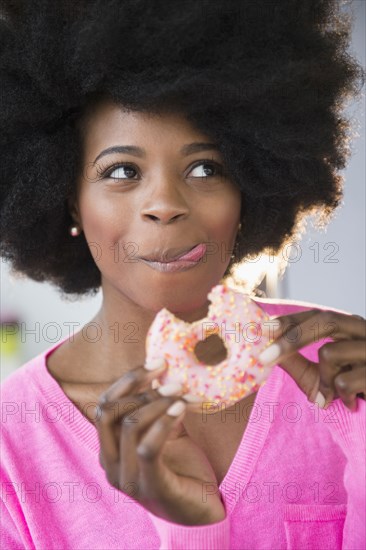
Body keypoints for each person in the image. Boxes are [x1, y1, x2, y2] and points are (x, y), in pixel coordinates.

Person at [0, 1, 365, 548]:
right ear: (67, 200)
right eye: (122, 171)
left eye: (205, 168)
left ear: (249, 189)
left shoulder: (341, 372)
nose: (165, 204)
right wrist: (188, 527)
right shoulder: (12, 447)